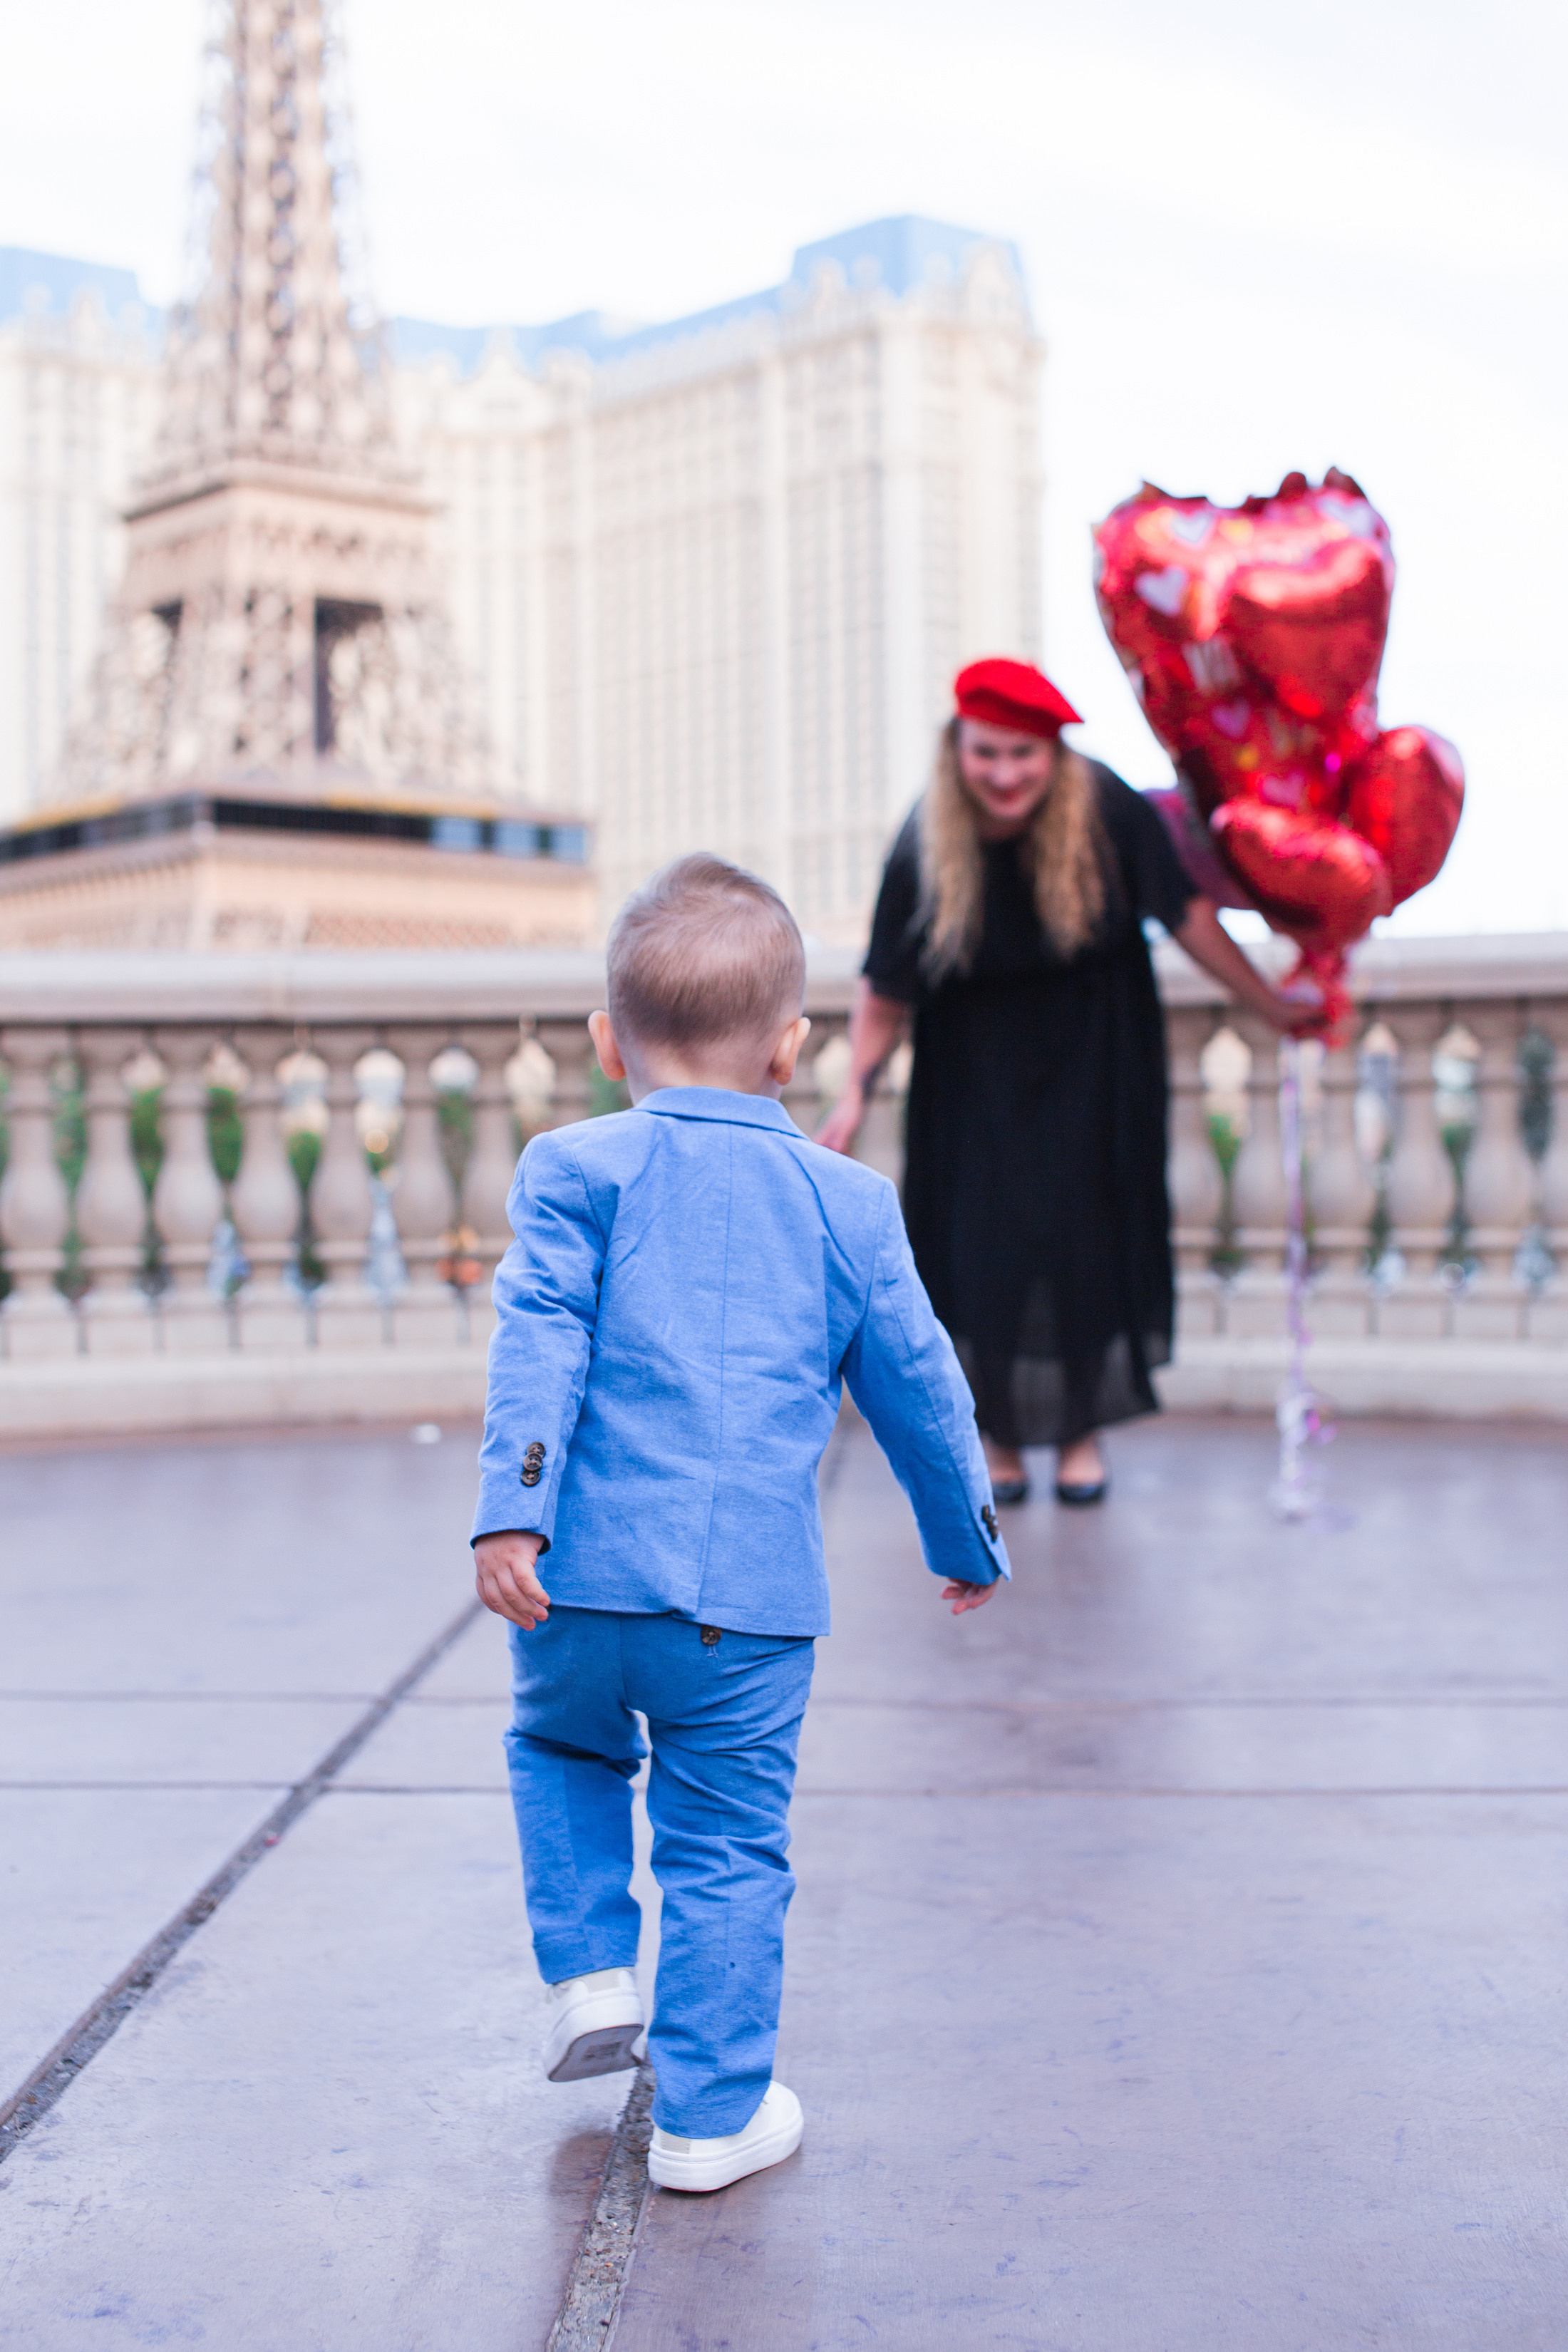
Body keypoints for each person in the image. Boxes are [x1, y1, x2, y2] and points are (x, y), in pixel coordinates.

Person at [470, 854, 1009, 2195]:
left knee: (559, 1750)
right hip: (747, 1612)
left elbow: (537, 1346)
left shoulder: (570, 1166)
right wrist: (964, 1540)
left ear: (607, 1044)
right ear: (792, 1046)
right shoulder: (848, 1204)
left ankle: (592, 1971)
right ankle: (710, 2119)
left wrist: (511, 1514)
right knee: (725, 1847)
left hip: (579, 1583)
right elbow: (923, 1393)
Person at [818, 656, 1319, 1508]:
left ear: (1053, 752)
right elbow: (888, 981)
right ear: (956, 749)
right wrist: (858, 1087)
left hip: (1097, 1065)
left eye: (1024, 754)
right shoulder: (926, 835)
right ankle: (1002, 1440)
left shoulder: (1109, 808)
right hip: (970, 1079)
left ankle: (1081, 1435)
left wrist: (1268, 1003)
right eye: (986, 754)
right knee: (980, 1252)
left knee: (1088, 1244)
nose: (1005, 773)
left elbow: (1188, 917)